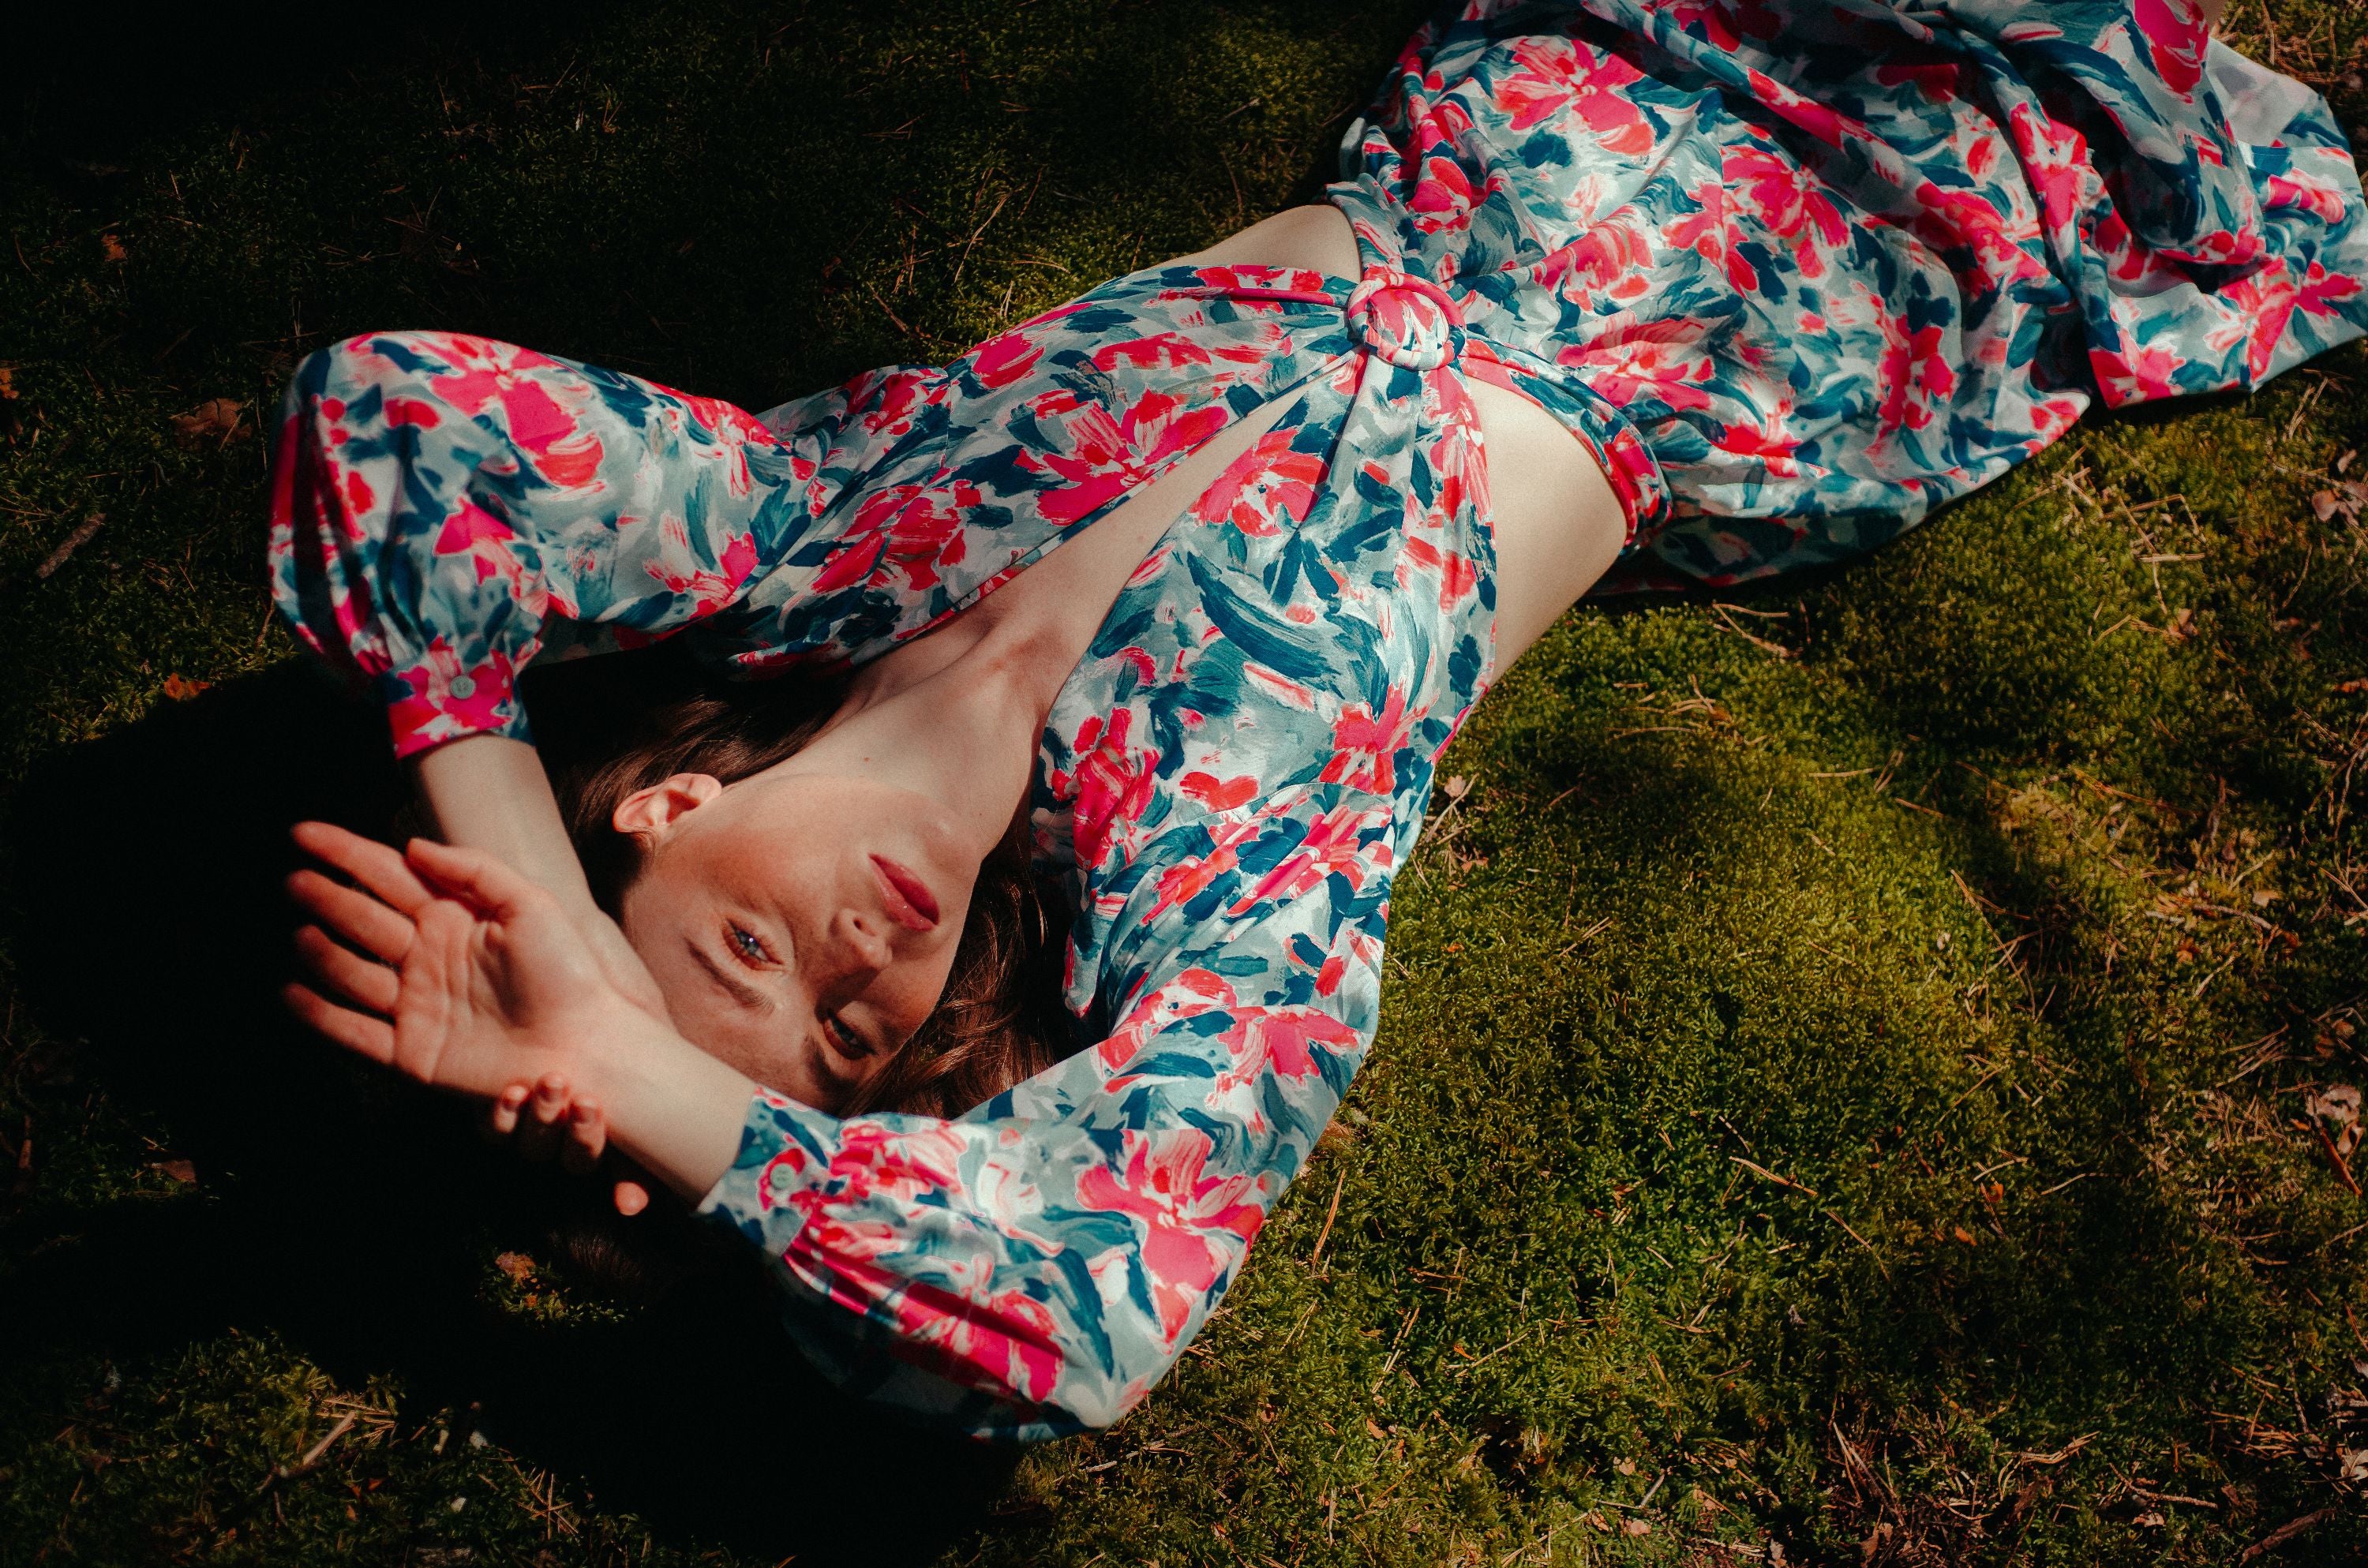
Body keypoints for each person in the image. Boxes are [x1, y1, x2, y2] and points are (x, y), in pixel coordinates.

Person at [272, 0, 2366, 1439]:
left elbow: (390, 429)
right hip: (1776, 284)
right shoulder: (1219, 884)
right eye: (850, 1043)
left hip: (1545, 86)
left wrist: (535, 914)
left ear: (666, 801)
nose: (855, 967)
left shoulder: (806, 534)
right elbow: (1072, 1313)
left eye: (748, 947)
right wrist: (645, 1084)